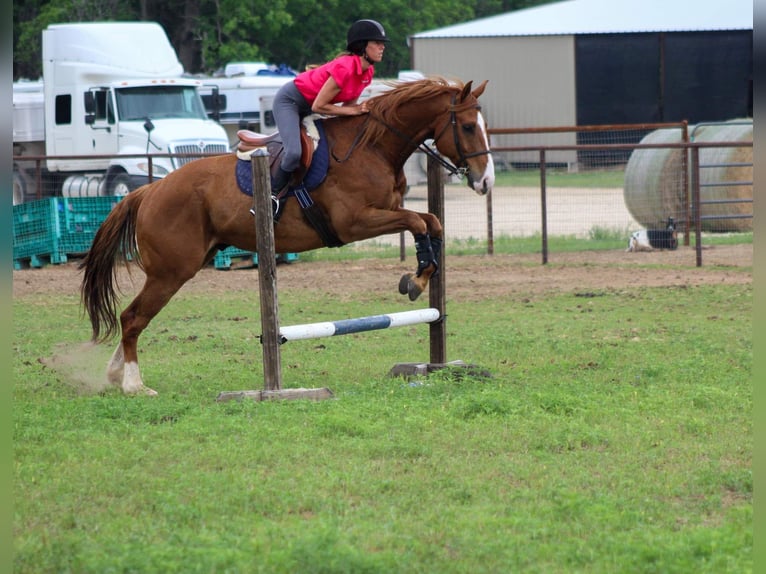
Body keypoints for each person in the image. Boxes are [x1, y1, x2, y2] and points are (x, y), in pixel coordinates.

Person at [269, 19, 389, 197]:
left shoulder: (368, 72)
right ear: (363, 46)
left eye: (382, 44)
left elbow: (349, 106)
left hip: (310, 107)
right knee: (294, 153)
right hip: (290, 102)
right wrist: (354, 110)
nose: (382, 47)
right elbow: (320, 105)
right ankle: (271, 195)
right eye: (377, 43)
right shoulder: (345, 67)